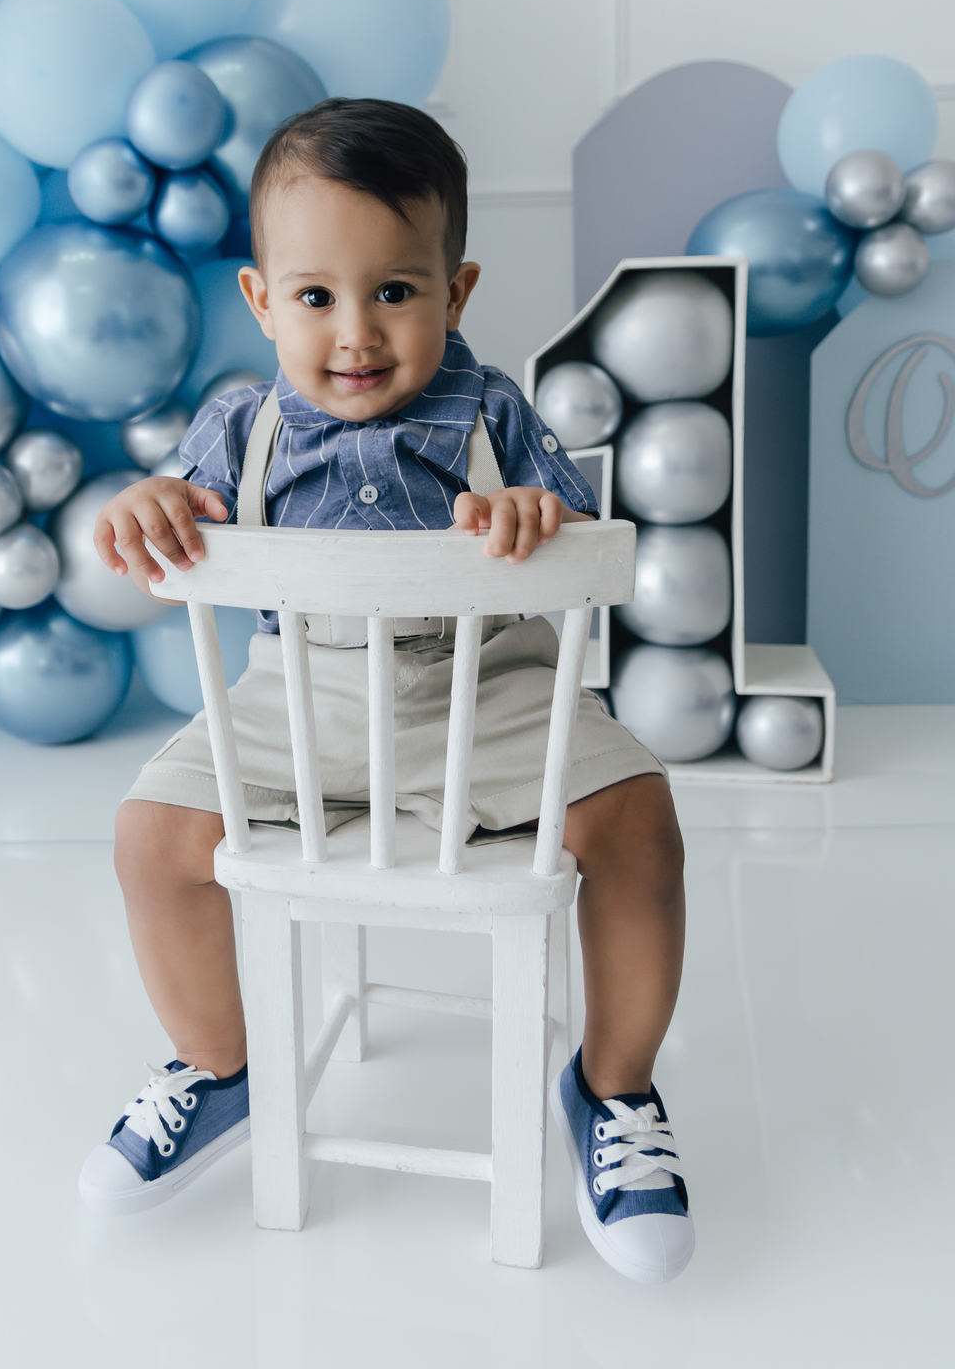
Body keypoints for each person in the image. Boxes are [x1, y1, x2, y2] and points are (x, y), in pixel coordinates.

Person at [79, 98, 692, 1283]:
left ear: (455, 293)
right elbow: (183, 507)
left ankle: (614, 1088)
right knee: (151, 835)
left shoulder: (493, 411)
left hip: (489, 693)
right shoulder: (241, 425)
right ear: (262, 300)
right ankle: (218, 1065)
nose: (355, 333)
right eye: (315, 296)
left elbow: (583, 539)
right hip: (299, 700)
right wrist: (150, 500)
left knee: (640, 824)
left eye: (395, 292)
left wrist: (535, 515)